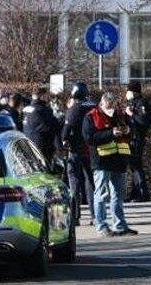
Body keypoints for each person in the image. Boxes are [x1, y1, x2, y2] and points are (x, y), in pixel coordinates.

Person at [82, 92, 138, 237]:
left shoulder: (119, 115)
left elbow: (132, 130)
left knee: (118, 195)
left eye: (112, 106)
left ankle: (120, 225)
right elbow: (90, 138)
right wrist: (111, 133)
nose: (110, 109)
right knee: (101, 194)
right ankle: (101, 226)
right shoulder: (91, 117)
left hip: (119, 160)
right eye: (108, 106)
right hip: (101, 161)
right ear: (101, 103)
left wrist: (128, 130)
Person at [61, 82, 96, 225]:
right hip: (91, 150)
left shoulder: (73, 110)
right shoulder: (94, 107)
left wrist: (64, 141)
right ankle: (95, 215)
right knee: (91, 183)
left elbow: (66, 131)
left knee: (74, 182)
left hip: (75, 150)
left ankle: (75, 216)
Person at [124, 81, 151, 202]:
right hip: (131, 137)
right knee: (133, 166)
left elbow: (143, 121)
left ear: (134, 92)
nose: (127, 93)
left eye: (128, 91)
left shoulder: (141, 104)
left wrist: (132, 114)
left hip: (137, 138)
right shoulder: (132, 102)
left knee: (136, 165)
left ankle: (142, 193)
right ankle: (135, 192)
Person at [23, 87, 61, 164]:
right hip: (42, 146)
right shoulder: (43, 110)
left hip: (27, 143)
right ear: (42, 96)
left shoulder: (26, 109)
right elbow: (54, 127)